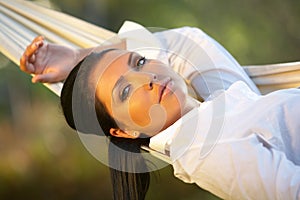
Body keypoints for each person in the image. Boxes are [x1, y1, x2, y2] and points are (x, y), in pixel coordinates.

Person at [20, 21, 300, 200]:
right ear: (124, 132)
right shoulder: (207, 150)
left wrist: (77, 58)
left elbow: (184, 41)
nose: (147, 78)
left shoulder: (221, 102)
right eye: (125, 91)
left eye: (139, 62)